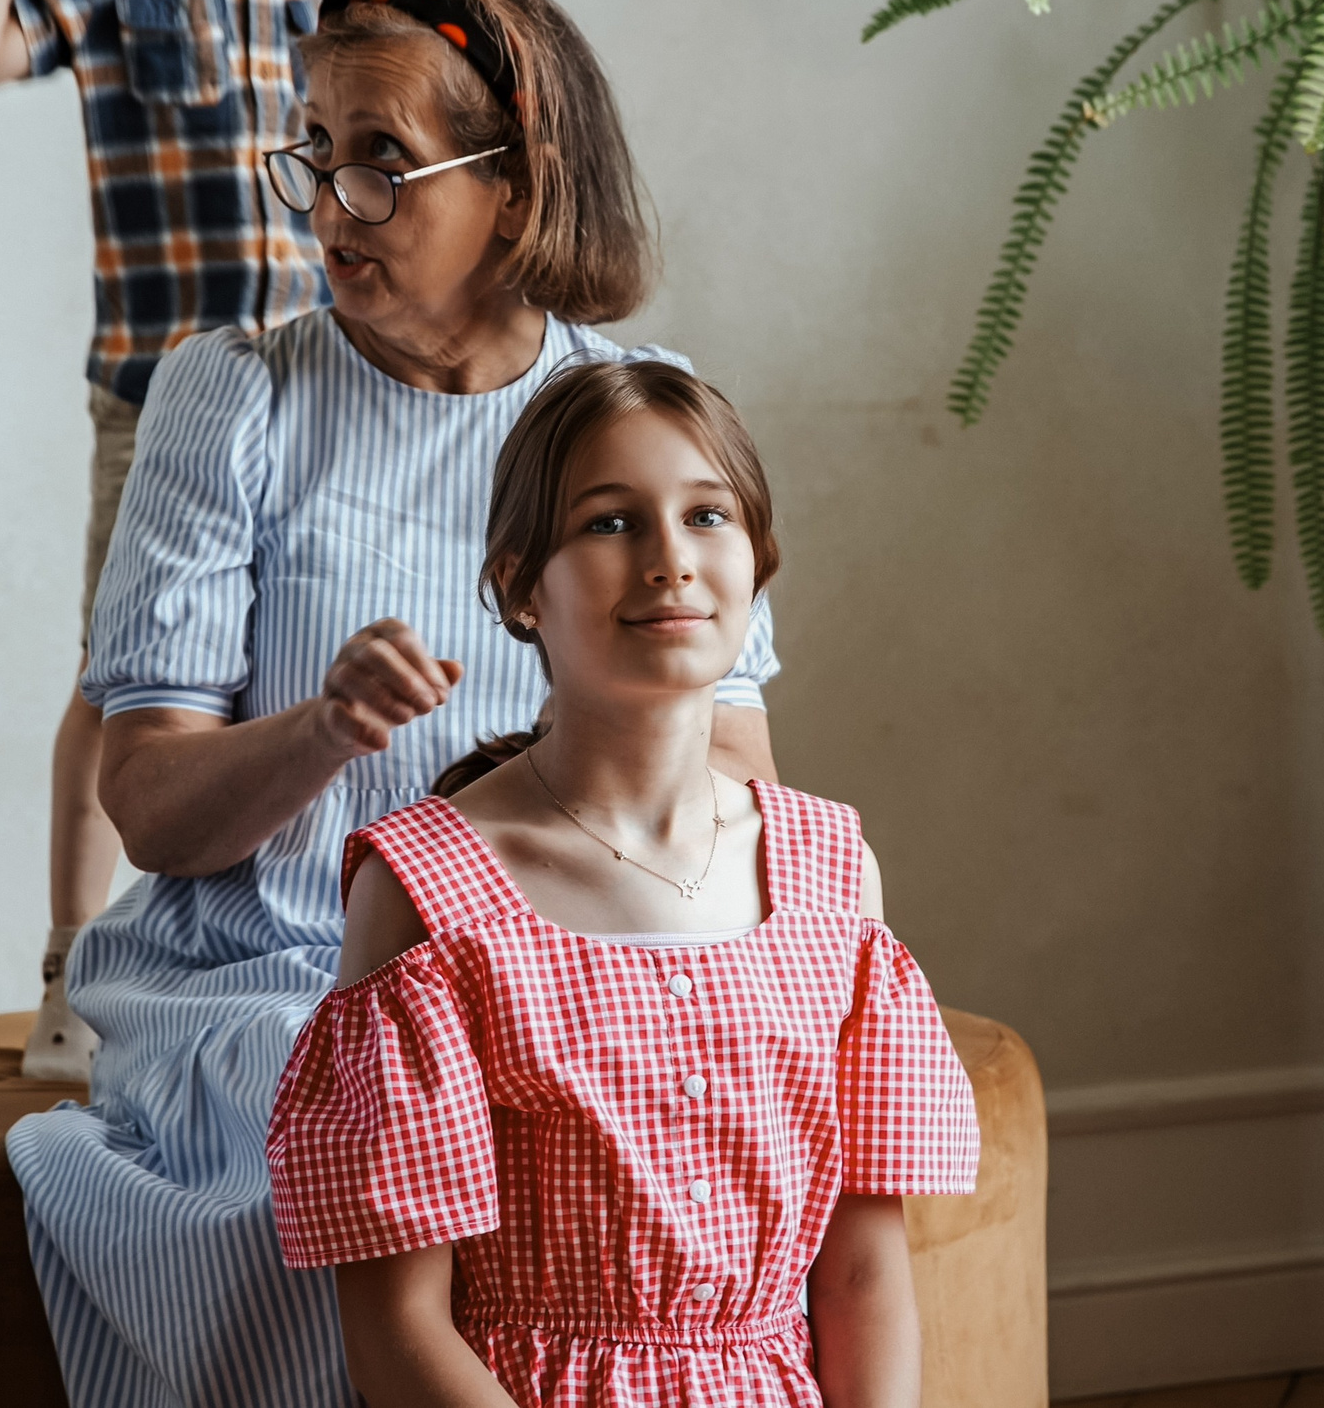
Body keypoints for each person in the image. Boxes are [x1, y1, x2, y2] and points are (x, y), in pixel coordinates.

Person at [6, 0, 778, 1406]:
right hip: (266, 974)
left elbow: (736, 781)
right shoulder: (234, 391)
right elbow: (156, 811)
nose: (330, 208)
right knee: (363, 1105)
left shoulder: (628, 409)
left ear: (517, 186)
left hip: (568, 963)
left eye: (383, 162)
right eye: (316, 154)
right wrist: (328, 729)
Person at [0, 0, 527, 1080]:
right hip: (163, 389)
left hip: (325, 386)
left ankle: (296, 939)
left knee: (274, 681)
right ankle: (76, 965)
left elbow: (436, 112)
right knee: (123, 681)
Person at [269, 360, 980, 1407]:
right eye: (609, 523)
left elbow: (863, 1272)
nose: (669, 561)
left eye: (706, 515)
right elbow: (396, 1322)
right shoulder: (424, 889)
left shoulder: (837, 878)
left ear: (759, 561)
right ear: (519, 585)